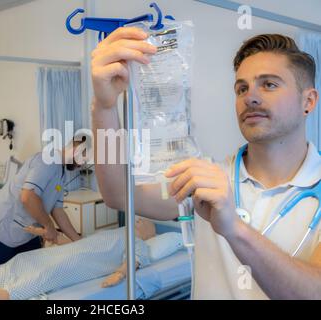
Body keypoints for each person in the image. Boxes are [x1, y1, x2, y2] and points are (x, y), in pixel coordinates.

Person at [91, 29, 321, 299]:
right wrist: (104, 108)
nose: (251, 97)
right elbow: (118, 194)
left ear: (308, 101)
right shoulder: (205, 180)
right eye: (242, 88)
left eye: (269, 84)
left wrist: (233, 228)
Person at [0, 218, 157, 300]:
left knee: (45, 275)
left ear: (148, 234)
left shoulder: (136, 241)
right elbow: (76, 243)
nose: (136, 221)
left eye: (142, 223)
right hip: (70, 251)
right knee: (24, 260)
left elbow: (135, 259)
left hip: (81, 262)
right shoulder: (111, 232)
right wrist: (46, 234)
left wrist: (119, 274)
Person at [0, 135, 88, 268]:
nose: (82, 165)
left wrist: (78, 242)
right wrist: (49, 226)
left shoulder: (60, 172)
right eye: (83, 158)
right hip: (3, 229)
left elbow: (58, 210)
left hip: (27, 232)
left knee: (29, 276)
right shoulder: (47, 161)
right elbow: (28, 197)